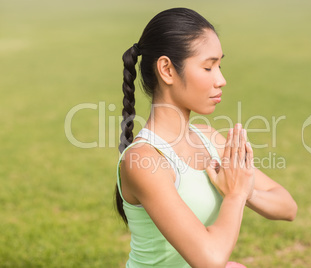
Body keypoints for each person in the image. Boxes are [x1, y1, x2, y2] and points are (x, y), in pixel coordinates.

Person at [115, 8, 297, 268]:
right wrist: (234, 195)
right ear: (167, 69)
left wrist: (243, 189)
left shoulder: (209, 138)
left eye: (219, 65)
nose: (221, 79)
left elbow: (288, 207)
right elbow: (210, 260)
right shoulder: (143, 160)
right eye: (208, 67)